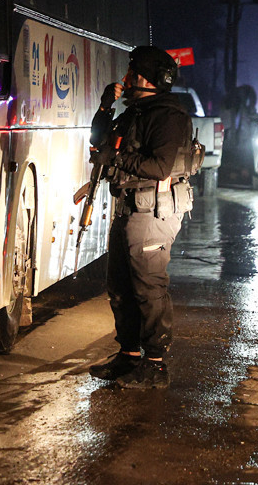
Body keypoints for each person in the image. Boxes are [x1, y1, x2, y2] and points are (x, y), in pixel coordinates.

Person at [88, 46, 196, 389]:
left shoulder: (167, 116)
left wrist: (116, 158)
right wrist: (105, 108)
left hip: (153, 212)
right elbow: (98, 141)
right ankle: (129, 355)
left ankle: (156, 365)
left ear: (148, 79)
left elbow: (159, 166)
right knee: (120, 286)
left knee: (148, 288)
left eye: (132, 73)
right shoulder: (135, 112)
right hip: (129, 207)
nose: (126, 79)